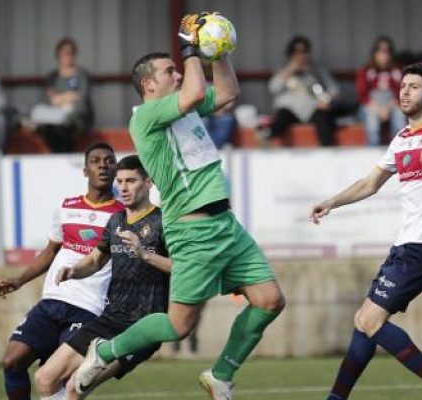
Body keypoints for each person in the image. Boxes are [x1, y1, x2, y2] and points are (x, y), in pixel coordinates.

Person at [73, 13, 285, 400]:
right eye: (169, 71)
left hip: (225, 225)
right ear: (149, 85)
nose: (177, 74)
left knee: (270, 300)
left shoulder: (182, 108)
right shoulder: (147, 116)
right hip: (192, 231)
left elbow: (227, 94)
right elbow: (190, 93)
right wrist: (189, 46)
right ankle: (105, 350)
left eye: (177, 68)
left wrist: (217, 54)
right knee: (178, 325)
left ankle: (221, 375)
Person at [310, 63, 422, 400]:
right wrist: (332, 202)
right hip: (404, 247)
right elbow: (371, 183)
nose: (404, 91)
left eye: (413, 86)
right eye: (403, 86)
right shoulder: (401, 139)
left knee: (369, 320)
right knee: (363, 325)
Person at [34, 155, 170, 399]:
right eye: (120, 181)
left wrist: (144, 254)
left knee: (75, 387)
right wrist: (74, 270)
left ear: (148, 182)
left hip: (142, 326)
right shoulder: (116, 220)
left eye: (131, 180)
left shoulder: (164, 222)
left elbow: (183, 268)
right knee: (45, 378)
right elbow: (96, 259)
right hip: (109, 319)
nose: (124, 187)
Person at [0, 143, 122, 400]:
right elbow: (50, 251)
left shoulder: (123, 214)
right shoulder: (65, 206)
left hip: (90, 308)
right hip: (51, 302)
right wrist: (19, 280)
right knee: (12, 361)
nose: (102, 165)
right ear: (85, 170)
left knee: (56, 379)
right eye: (96, 161)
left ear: (116, 168)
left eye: (109, 160)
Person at [266, 36, 352, 146]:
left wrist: (327, 101)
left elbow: (334, 90)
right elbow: (273, 88)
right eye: (297, 52)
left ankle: (327, 150)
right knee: (281, 116)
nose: (301, 56)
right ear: (291, 54)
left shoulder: (316, 70)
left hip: (312, 109)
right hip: (290, 110)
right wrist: (289, 70)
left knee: (324, 117)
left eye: (304, 52)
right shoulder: (282, 69)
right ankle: (267, 139)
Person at [33, 38, 93, 153]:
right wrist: (70, 95)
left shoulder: (82, 75)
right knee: (47, 129)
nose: (68, 56)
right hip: (55, 118)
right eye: (65, 53)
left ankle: (64, 160)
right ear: (58, 55)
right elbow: (49, 101)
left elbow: (82, 98)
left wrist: (59, 99)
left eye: (71, 53)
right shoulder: (52, 77)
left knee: (66, 128)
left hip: (78, 117)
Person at [355, 36, 405, 146]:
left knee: (400, 116)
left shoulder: (397, 71)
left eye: (386, 52)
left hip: (392, 104)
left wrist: (388, 107)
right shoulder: (366, 70)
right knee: (372, 118)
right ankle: (373, 151)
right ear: (374, 53)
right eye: (380, 52)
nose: (383, 55)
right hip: (371, 105)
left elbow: (402, 92)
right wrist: (379, 109)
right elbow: (362, 95)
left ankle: (399, 150)